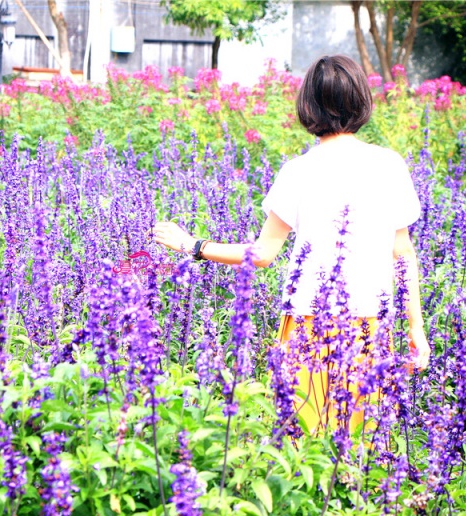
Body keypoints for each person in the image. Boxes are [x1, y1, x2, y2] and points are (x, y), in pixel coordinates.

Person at [151, 54, 430, 436]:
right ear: (362, 100)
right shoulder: (390, 165)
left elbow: (262, 255)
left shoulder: (298, 171)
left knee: (304, 442)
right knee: (361, 449)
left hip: (307, 325)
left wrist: (192, 244)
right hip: (370, 325)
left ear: (309, 106)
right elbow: (404, 255)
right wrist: (417, 327)